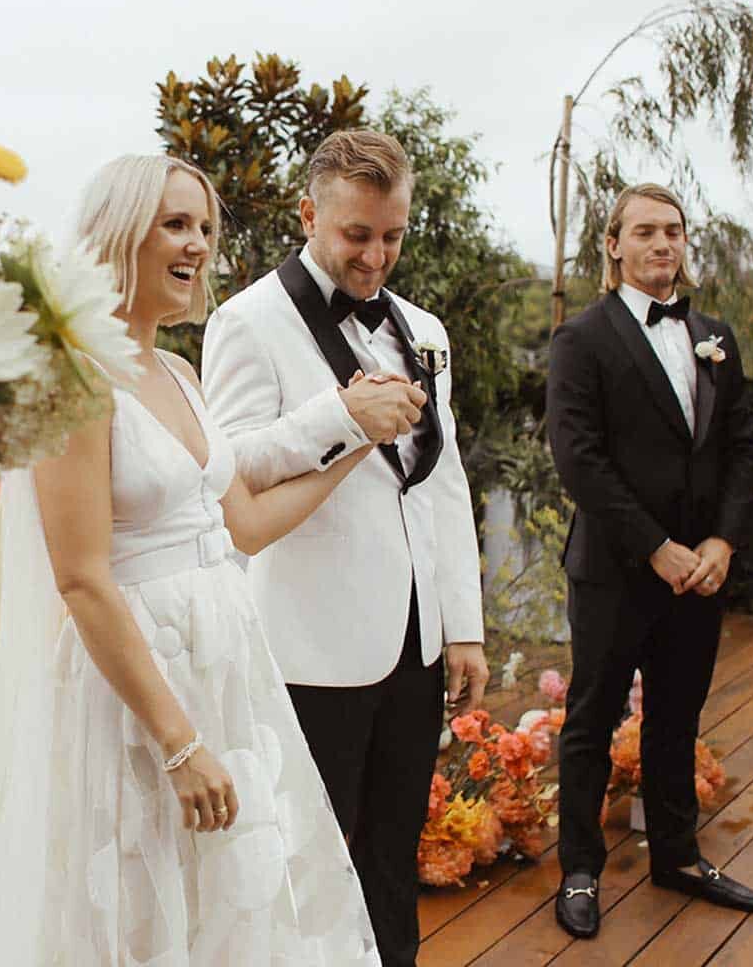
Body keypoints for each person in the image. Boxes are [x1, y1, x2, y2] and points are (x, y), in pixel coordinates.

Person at [0, 154, 381, 966]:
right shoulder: (68, 377)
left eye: (204, 227)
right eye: (176, 223)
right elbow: (81, 577)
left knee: (220, 900)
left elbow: (240, 523)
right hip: (135, 696)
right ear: (120, 235)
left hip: (224, 672)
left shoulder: (177, 370)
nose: (198, 244)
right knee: (133, 908)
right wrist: (179, 742)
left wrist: (355, 446)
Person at [201, 130, 489, 967]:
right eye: (357, 235)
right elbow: (230, 470)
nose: (376, 257)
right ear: (308, 214)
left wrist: (460, 625)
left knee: (392, 857)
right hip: (306, 646)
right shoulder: (246, 322)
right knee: (300, 861)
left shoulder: (425, 329)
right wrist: (339, 418)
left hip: (414, 643)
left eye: (392, 236)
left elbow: (442, 482)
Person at [544, 182, 753, 939]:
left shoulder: (716, 336)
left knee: (678, 720)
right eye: (645, 232)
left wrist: (721, 542)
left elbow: (742, 449)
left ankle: (678, 855)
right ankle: (579, 868)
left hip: (699, 572)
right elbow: (579, 458)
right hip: (616, 570)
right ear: (614, 244)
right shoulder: (582, 338)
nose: (663, 244)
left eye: (673, 231)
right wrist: (655, 547)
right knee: (591, 720)